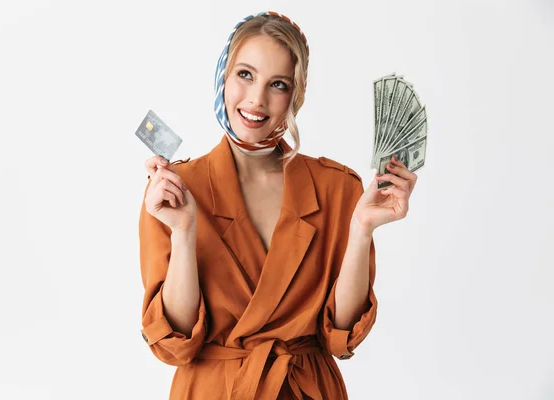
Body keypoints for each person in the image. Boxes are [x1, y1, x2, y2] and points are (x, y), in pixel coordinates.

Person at [138, 11, 418, 400]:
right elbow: (176, 342)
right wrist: (185, 233)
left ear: (295, 96)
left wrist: (361, 230)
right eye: (245, 75)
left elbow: (341, 335)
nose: (256, 99)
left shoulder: (338, 188)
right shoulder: (175, 190)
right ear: (223, 74)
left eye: (278, 84)